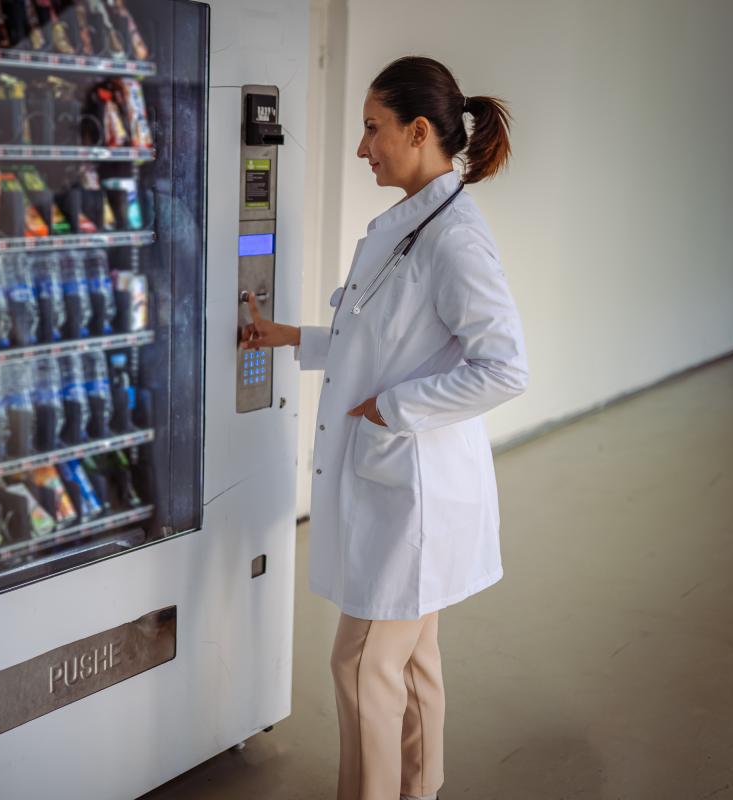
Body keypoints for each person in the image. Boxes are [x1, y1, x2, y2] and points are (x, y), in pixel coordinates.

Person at [241, 56, 529, 800]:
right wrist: (286, 338)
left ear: (420, 129)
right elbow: (377, 343)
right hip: (396, 486)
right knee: (412, 660)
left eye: (373, 127)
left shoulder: (453, 239)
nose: (363, 146)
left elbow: (505, 368)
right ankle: (419, 789)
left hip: (414, 493)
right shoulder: (409, 225)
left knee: (364, 665)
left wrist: (392, 409)